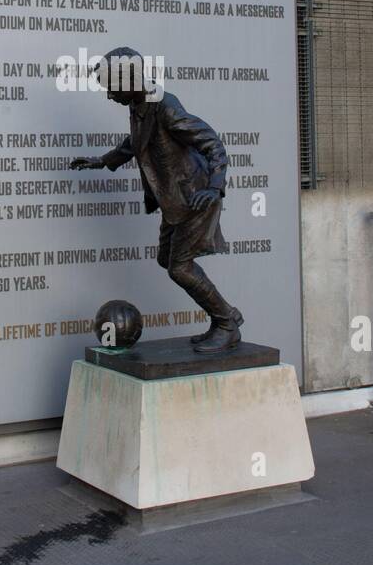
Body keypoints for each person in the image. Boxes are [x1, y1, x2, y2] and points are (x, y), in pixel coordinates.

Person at [70, 46, 243, 353]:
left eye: (112, 90)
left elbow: (213, 144)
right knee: (167, 260)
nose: (110, 97)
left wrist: (214, 188)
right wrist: (102, 161)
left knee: (180, 268)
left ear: (131, 82)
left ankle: (227, 321)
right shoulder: (140, 105)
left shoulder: (166, 107)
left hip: (194, 198)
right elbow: (135, 143)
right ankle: (224, 318)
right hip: (174, 200)